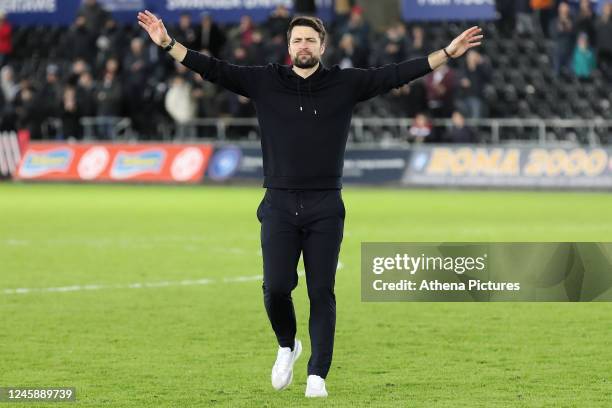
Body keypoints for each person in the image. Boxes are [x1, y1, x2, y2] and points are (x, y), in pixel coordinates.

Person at [137, 9, 483, 398]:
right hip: (279, 203)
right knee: (276, 288)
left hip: (325, 204)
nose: (304, 45)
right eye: (298, 40)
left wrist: (447, 53)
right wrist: (167, 43)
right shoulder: (265, 81)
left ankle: (318, 374)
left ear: (322, 46)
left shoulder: (345, 84)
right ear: (289, 47)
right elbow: (213, 68)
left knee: (322, 291)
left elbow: (397, 73)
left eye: (310, 40)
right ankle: (288, 345)